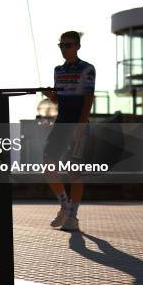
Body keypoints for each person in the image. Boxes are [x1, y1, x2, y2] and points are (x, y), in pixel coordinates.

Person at [42, 31, 95, 232]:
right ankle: (64, 205)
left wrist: (80, 127)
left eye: (68, 45)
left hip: (78, 123)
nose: (64, 49)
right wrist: (50, 95)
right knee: (47, 164)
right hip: (61, 122)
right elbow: (59, 99)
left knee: (75, 171)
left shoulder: (87, 69)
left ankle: (73, 216)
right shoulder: (58, 70)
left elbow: (88, 99)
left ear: (77, 46)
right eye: (61, 45)